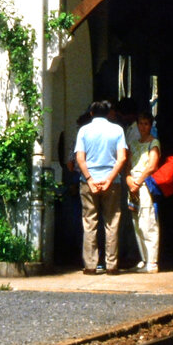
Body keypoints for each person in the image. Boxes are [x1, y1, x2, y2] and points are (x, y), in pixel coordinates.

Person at [74, 99, 128, 274]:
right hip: (112, 183)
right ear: (108, 113)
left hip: (89, 182)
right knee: (112, 222)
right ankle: (111, 265)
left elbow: (80, 158)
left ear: (91, 113)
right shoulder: (117, 130)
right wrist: (110, 179)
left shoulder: (84, 130)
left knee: (90, 222)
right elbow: (122, 158)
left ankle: (90, 265)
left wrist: (89, 179)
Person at [125, 110, 161, 273]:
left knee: (148, 221)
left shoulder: (154, 143)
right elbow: (128, 164)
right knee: (137, 222)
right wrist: (129, 180)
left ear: (150, 125)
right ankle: (144, 258)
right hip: (133, 182)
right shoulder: (134, 144)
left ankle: (152, 261)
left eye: (146, 123)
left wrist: (137, 182)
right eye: (140, 123)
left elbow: (152, 166)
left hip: (145, 183)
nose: (143, 127)